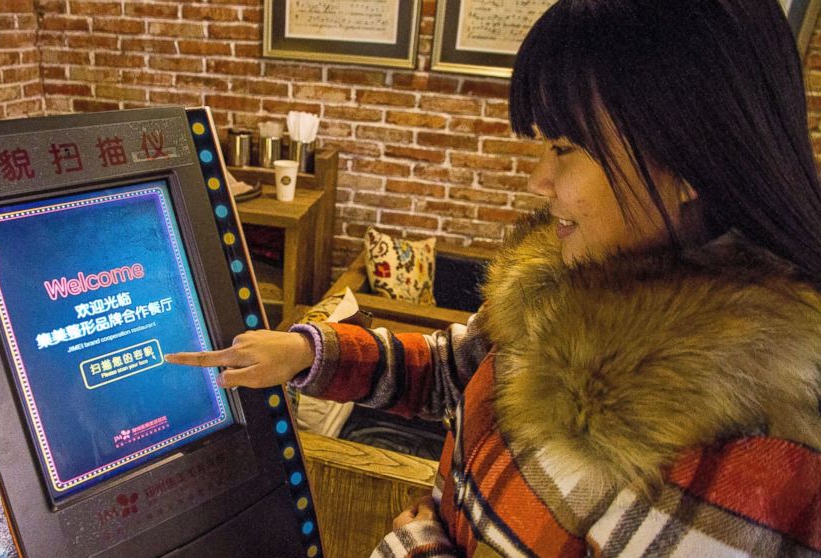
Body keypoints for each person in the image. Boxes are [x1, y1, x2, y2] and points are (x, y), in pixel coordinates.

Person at [167, 0, 821, 555]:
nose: (540, 180)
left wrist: (421, 544)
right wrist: (309, 350)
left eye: (564, 149)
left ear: (689, 163)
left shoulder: (761, 460)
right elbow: (462, 367)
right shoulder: (581, 281)